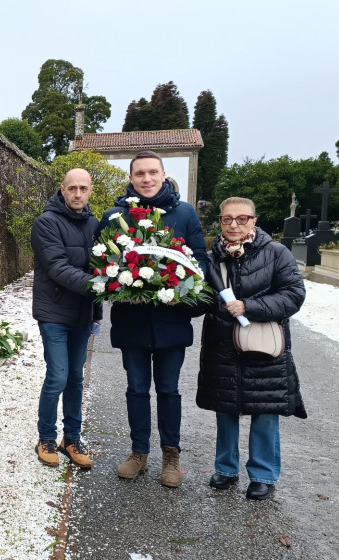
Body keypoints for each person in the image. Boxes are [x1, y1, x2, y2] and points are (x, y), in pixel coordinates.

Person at [98, 150, 209, 487]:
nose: (146, 179)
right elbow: (101, 263)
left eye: (152, 173)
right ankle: (138, 453)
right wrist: (119, 282)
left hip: (171, 321)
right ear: (130, 179)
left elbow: (199, 263)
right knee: (135, 389)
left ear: (163, 175)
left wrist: (180, 291)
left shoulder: (184, 213)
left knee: (169, 390)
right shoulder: (115, 216)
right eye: (139, 173)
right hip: (132, 321)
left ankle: (171, 456)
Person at [196, 197, 306, 500]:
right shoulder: (210, 259)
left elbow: (294, 295)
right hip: (223, 344)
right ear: (220, 221)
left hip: (264, 344)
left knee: (265, 410)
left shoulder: (276, 253)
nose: (234, 225)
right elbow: (202, 298)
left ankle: (262, 474)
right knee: (225, 409)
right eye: (227, 219)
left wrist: (250, 306)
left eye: (242, 218)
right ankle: (226, 469)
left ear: (253, 221)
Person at [31, 168, 102, 469]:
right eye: (71, 188)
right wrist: (100, 286)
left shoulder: (95, 224)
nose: (77, 194)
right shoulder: (46, 223)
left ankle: (71, 438)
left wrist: (97, 310)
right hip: (54, 313)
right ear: (62, 189)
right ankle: (46, 436)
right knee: (58, 375)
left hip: (82, 314)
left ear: (90, 191)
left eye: (82, 188)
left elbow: (101, 265)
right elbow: (57, 267)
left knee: (75, 377)